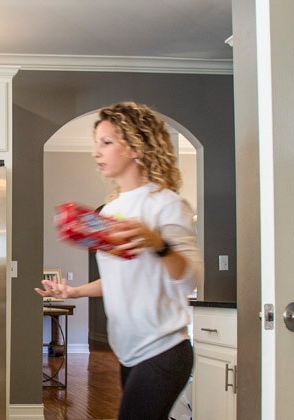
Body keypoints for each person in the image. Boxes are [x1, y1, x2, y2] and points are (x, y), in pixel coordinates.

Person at [36, 102, 203, 419]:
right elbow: (121, 278)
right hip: (128, 352)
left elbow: (191, 279)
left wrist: (158, 244)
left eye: (107, 142)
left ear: (136, 146)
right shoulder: (111, 211)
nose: (96, 152)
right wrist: (74, 292)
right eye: (96, 143)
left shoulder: (167, 204)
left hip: (163, 349)